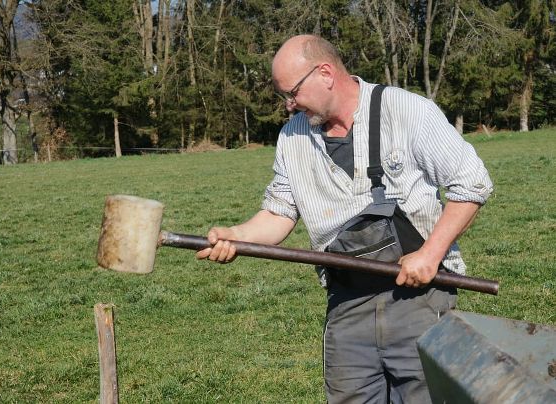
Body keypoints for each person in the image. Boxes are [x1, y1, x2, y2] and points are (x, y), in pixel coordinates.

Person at [196, 34, 493, 403]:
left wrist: (431, 254)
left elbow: (471, 183)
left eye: (292, 93)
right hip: (347, 306)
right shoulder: (293, 137)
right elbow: (279, 212)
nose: (288, 106)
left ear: (325, 73)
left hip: (419, 301)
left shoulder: (404, 111)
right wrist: (236, 235)